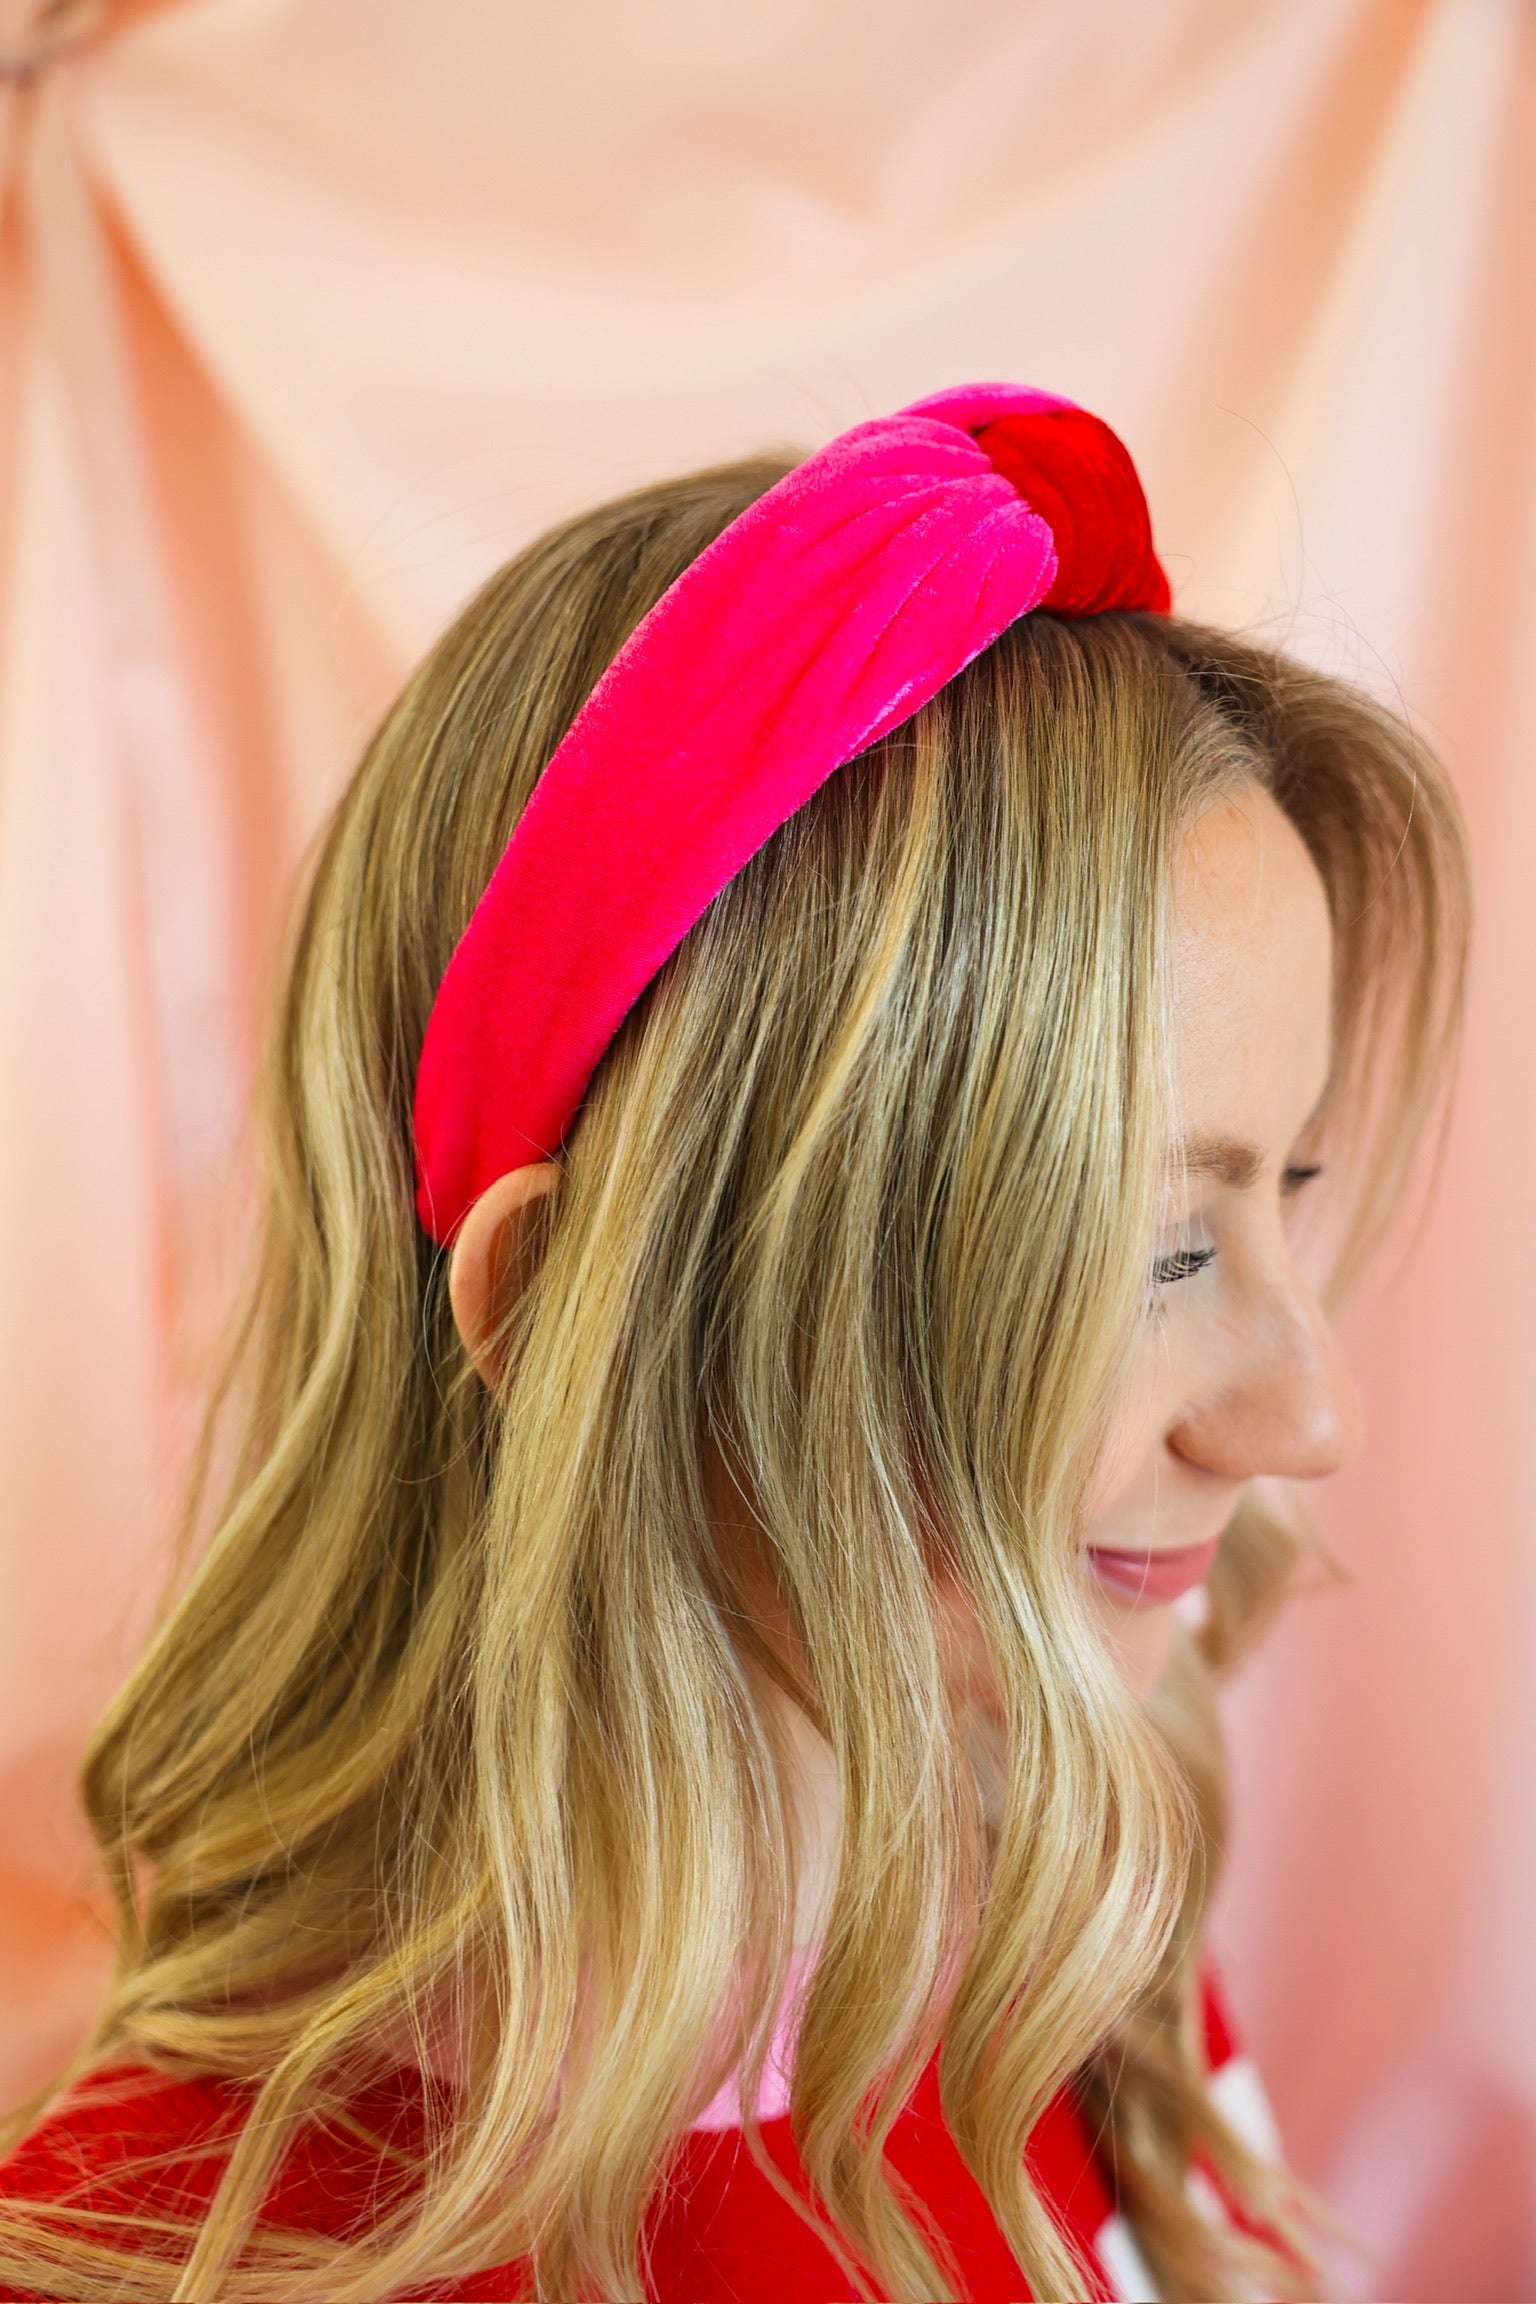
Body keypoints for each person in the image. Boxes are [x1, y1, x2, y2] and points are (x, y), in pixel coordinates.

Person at [0, 385, 1467, 2302]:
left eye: (1293, 1184)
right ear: (573, 1312)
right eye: (1157, 1248)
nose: (1307, 1414)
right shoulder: (174, 2253)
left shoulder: (1066, 1931)